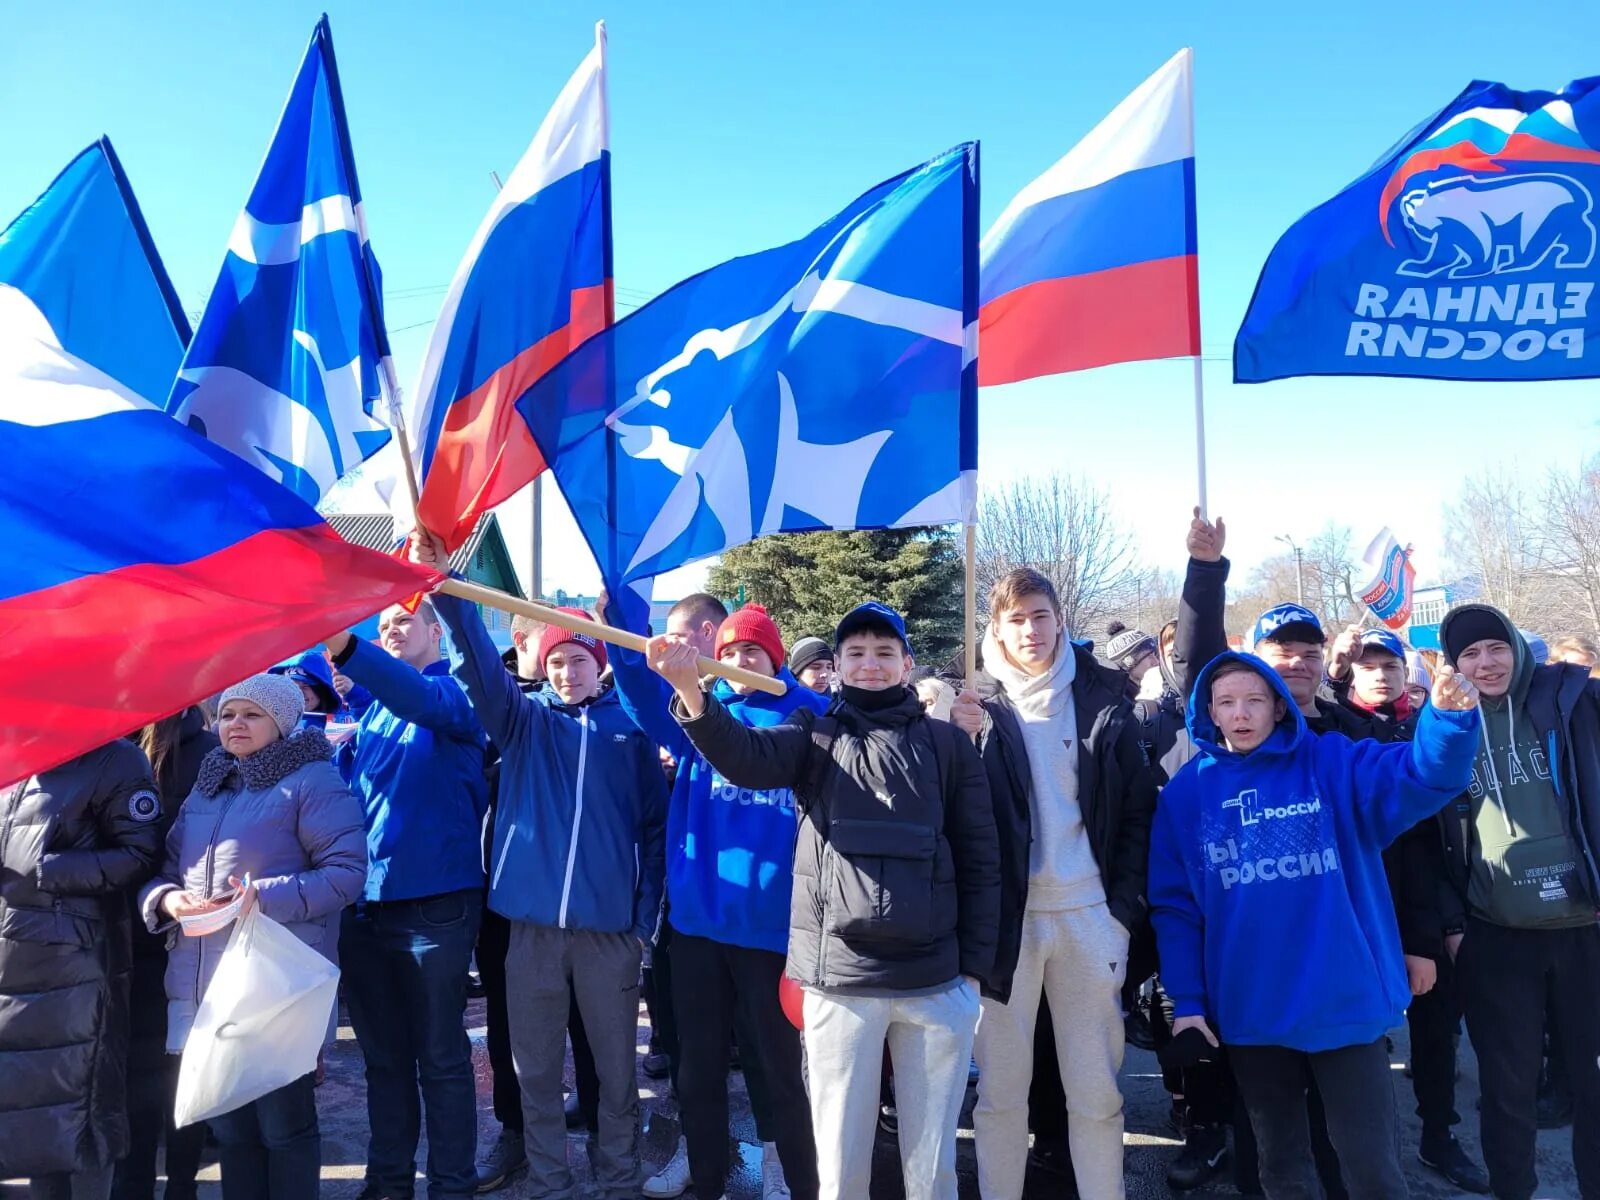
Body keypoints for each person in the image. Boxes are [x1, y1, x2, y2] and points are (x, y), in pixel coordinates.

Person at [648, 601, 1001, 1200]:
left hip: (936, 985)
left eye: (885, 653)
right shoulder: (811, 735)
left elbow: (981, 860)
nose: (870, 665)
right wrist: (692, 695)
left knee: (934, 1170)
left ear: (908, 664)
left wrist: (974, 976)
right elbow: (745, 757)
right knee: (839, 1173)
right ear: (835, 667)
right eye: (856, 654)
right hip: (839, 985)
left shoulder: (949, 746)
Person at [1149, 650, 1481, 1200]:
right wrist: (1188, 1002)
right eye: (1226, 702)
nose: (1240, 714)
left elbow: (1421, 778)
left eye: (1254, 700)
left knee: (1372, 1168)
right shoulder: (1188, 793)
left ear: (1279, 707)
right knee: (1280, 1168)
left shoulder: (1331, 763)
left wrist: (1445, 721)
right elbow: (1177, 908)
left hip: (1341, 1005)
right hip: (1251, 1011)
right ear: (1206, 710)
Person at [419, 537, 668, 1200]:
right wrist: (450, 590)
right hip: (528, 932)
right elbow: (475, 666)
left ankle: (617, 1178)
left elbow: (654, 829)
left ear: (598, 664)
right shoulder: (523, 723)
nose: (566, 672)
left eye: (578, 660)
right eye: (556, 660)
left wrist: (642, 926)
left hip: (609, 935)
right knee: (533, 1071)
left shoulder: (631, 733)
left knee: (615, 1073)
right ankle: (550, 1181)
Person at [606, 601, 826, 1200]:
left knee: (778, 1071)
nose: (737, 661)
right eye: (727, 653)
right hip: (698, 926)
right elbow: (637, 691)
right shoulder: (694, 708)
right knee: (696, 1066)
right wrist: (624, 619)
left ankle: (791, 1179)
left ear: (774, 658)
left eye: (751, 651)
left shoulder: (808, 716)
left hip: (771, 932)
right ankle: (706, 1175)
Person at [948, 568, 1156, 1200]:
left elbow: (1137, 814)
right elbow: (950, 824)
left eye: (1040, 616)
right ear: (996, 629)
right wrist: (955, 745)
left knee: (1096, 1091)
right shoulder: (971, 707)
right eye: (1016, 620)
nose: (1031, 631)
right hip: (1005, 928)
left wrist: (1118, 913)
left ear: (1060, 619)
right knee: (1002, 1093)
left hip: (1089, 916)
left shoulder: (1104, 697)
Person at [139, 675, 367, 1200]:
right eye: (227, 714)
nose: (235, 724)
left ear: (281, 722)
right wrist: (167, 900)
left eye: (251, 715)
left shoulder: (312, 782)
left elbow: (348, 873)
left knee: (283, 1126)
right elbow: (166, 868)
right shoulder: (209, 784)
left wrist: (260, 897)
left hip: (272, 985)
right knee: (233, 1129)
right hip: (204, 984)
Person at [326, 600, 489, 1200]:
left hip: (434, 907)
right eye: (383, 623)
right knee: (383, 1061)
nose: (392, 628)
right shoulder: (371, 718)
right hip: (366, 908)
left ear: (435, 631)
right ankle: (388, 1184)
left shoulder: (458, 694)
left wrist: (347, 646)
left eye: (404, 620)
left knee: (441, 1059)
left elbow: (416, 698)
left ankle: (452, 1188)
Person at [1438, 605, 1600, 1200]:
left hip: (1586, 928)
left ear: (1518, 648)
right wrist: (1453, 925)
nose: (1485, 664)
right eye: (1470, 655)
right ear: (1454, 666)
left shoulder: (1571, 702)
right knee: (1508, 1092)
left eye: (1494, 648)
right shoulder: (1450, 726)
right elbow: (1430, 835)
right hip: (1498, 934)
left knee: (1592, 1083)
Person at [1325, 627, 1490, 1193]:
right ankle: (1349, 1152)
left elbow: (1432, 841)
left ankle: (1437, 1135)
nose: (1379, 673)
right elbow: (1306, 711)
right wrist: (1330, 670)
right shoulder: (1331, 730)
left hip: (1420, 904)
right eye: (1366, 665)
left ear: (1404, 672)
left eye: (1389, 664)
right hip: (1350, 911)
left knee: (1437, 1031)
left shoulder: (1423, 729)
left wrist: (1443, 924)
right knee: (1352, 1046)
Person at [0, 741, 164, 1200]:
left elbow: (140, 853)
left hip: (74, 960)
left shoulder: (116, 759)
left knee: (73, 1102)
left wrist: (47, 871)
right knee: (24, 1101)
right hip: (13, 954)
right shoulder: (19, 756)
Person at [113, 709, 219, 1200]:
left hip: (186, 937)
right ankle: (132, 1185)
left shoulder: (209, 751)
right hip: (121, 933)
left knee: (184, 1073)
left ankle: (181, 1185)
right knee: (135, 1078)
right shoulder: (111, 746)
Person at [270, 650, 342, 732]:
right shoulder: (270, 723)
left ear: (322, 690)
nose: (299, 693)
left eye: (305, 686)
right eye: (292, 686)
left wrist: (355, 698)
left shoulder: (343, 721)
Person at [1102, 621, 1159, 701]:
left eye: (1154, 654)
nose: (1156, 662)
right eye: (1148, 656)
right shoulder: (1121, 706)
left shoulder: (1156, 687)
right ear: (1129, 663)